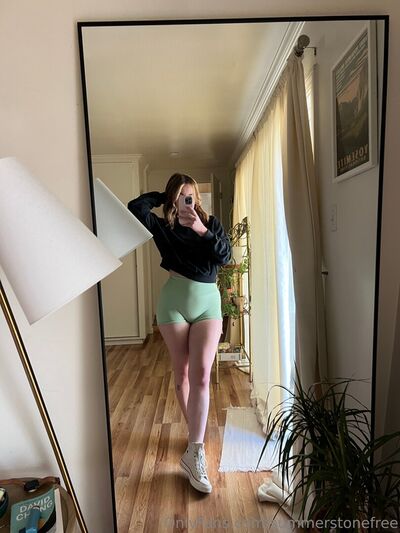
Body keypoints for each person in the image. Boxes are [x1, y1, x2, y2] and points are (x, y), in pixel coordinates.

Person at [128, 173, 231, 494]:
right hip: (173, 304)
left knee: (201, 375)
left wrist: (201, 230)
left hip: (207, 305)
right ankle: (194, 435)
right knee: (182, 373)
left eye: (191, 195)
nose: (187, 201)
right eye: (181, 196)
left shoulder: (210, 224)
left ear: (197, 198)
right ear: (174, 198)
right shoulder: (162, 227)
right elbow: (135, 207)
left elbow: (225, 256)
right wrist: (164, 196)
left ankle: (195, 451)